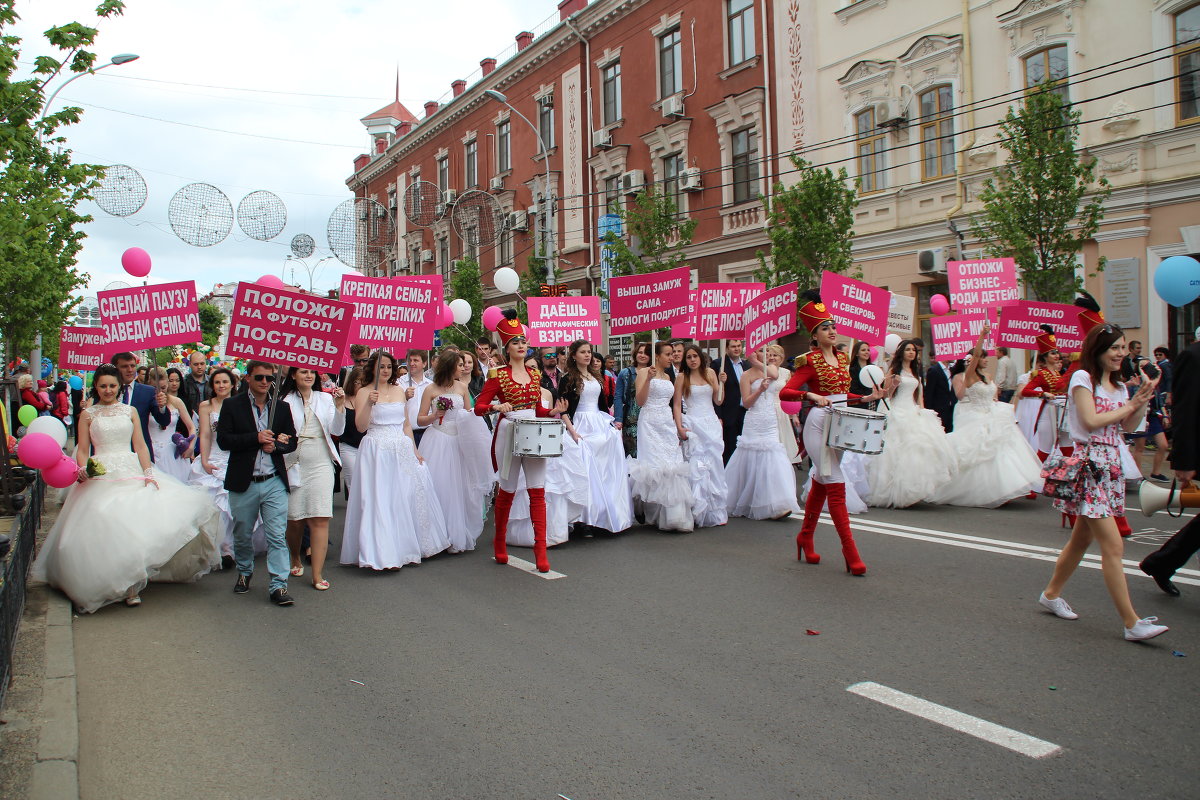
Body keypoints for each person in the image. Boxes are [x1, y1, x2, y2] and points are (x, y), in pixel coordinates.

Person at [32, 364, 220, 612]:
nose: (108, 390)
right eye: (103, 386)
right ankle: (108, 579)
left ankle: (132, 586)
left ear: (118, 386)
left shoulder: (129, 411)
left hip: (130, 468)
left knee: (132, 528)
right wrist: (84, 469)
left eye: (112, 385)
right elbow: (84, 449)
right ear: (96, 387)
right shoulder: (89, 415)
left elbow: (140, 446)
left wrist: (149, 472)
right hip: (101, 473)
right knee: (106, 527)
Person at [1039, 323, 1167, 641]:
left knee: (1081, 540)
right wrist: (1130, 405)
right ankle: (1131, 623)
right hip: (1091, 462)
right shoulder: (1083, 378)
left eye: (1123, 348)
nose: (1121, 354)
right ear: (1098, 349)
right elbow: (1091, 421)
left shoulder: (1120, 385)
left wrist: (1142, 400)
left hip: (1112, 465)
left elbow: (1128, 425)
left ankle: (1050, 595)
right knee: (1113, 545)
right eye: (1115, 348)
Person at [781, 293, 890, 574]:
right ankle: (850, 552)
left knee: (821, 476)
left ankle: (805, 536)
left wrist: (865, 398)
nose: (832, 331)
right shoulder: (809, 360)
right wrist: (813, 396)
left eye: (833, 327)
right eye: (825, 328)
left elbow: (843, 395)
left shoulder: (843, 358)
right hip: (818, 423)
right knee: (835, 481)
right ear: (815, 335)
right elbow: (787, 391)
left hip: (840, 421)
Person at [474, 312, 568, 571]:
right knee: (508, 490)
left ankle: (540, 550)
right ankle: (500, 542)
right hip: (509, 430)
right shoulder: (497, 375)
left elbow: (538, 409)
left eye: (524, 341)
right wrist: (496, 405)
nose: (521, 346)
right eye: (516, 342)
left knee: (537, 491)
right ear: (507, 347)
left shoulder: (535, 375)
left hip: (534, 430)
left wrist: (552, 411)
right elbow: (478, 407)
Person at [342, 350, 451, 570]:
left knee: (403, 496)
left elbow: (406, 424)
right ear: (373, 368)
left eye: (389, 367)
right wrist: (369, 404)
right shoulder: (364, 392)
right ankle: (382, 552)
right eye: (381, 366)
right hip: (376, 448)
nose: (385, 370)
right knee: (380, 499)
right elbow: (361, 427)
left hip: (400, 446)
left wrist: (414, 450)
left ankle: (405, 547)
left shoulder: (400, 390)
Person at [930, 325, 1043, 508]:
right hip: (974, 415)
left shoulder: (988, 375)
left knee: (1004, 449)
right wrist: (982, 335)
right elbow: (963, 390)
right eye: (981, 357)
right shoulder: (968, 376)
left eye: (985, 356)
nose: (984, 359)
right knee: (979, 453)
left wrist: (996, 404)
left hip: (991, 413)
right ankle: (980, 491)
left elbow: (992, 395)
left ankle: (1004, 488)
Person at [217, 361, 299, 606]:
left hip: (273, 480)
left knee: (276, 535)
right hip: (245, 481)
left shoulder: (281, 408)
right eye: (260, 377)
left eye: (269, 378)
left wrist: (279, 444)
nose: (265, 382)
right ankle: (244, 570)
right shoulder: (233, 405)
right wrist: (256, 438)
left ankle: (279, 584)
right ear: (248, 378)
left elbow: (292, 441)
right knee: (243, 533)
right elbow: (224, 440)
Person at [1140, 326, 1200, 596]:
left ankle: (1161, 563)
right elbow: (1186, 409)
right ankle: (1161, 563)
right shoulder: (1194, 356)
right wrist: (1183, 460)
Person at [417, 350, 494, 553]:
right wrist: (435, 415)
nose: (463, 368)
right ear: (450, 367)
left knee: (460, 487)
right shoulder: (430, 389)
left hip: (459, 441)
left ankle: (455, 533)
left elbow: (469, 415)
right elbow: (420, 419)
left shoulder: (462, 387)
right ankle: (437, 535)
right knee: (440, 486)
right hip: (437, 440)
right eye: (459, 365)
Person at [865, 339, 955, 508]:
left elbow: (919, 395)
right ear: (902, 353)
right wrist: (894, 384)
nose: (911, 352)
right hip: (896, 410)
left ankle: (912, 488)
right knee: (894, 451)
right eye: (908, 350)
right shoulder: (894, 370)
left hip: (912, 409)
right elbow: (886, 395)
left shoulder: (916, 372)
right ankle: (890, 489)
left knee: (918, 450)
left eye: (913, 350)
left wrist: (921, 410)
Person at [557, 339, 634, 535]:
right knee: (586, 466)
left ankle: (606, 514)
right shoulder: (568, 379)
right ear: (573, 355)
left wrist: (611, 423)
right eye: (582, 352)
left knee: (606, 464)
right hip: (579, 422)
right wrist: (572, 431)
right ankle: (584, 519)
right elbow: (563, 409)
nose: (587, 355)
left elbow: (602, 405)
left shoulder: (596, 377)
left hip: (598, 421)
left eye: (589, 351)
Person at [280, 367, 345, 590]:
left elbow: (337, 430)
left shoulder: (325, 398)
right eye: (303, 372)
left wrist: (339, 408)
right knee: (295, 519)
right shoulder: (284, 400)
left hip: (321, 461)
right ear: (293, 376)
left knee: (320, 517)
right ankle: (295, 558)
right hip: (294, 462)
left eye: (312, 373)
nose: (309, 376)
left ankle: (317, 574)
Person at [725, 344, 802, 521]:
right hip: (754, 419)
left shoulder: (771, 369)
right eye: (759, 351)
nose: (763, 354)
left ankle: (778, 502)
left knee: (774, 457)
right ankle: (748, 498)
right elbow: (746, 403)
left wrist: (757, 363)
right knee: (750, 457)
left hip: (770, 420)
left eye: (764, 352)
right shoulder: (746, 375)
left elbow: (774, 375)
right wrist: (759, 390)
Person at [628, 341, 693, 532]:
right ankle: (655, 512)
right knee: (654, 464)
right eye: (668, 354)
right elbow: (640, 401)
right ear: (657, 356)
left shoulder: (668, 376)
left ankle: (674, 514)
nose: (671, 357)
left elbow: (673, 402)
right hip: (649, 421)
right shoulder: (643, 372)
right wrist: (648, 379)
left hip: (665, 421)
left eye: (673, 354)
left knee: (671, 464)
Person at [673, 343, 728, 528]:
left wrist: (722, 384)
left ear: (700, 357)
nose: (692, 360)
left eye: (694, 356)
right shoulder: (682, 377)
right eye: (688, 357)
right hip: (694, 423)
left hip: (711, 422)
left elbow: (718, 400)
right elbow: (677, 405)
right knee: (697, 466)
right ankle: (697, 508)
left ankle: (715, 510)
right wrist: (679, 426)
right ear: (685, 360)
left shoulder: (710, 373)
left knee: (714, 465)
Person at [190, 367, 238, 569]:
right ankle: (214, 548)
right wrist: (204, 460)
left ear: (232, 384)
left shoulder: (239, 404)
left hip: (233, 457)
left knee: (231, 507)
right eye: (217, 382)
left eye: (225, 382)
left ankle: (229, 548)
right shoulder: (206, 406)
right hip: (214, 456)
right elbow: (206, 435)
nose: (221, 386)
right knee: (213, 505)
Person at [1021, 327, 1072, 465]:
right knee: (1044, 451)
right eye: (1052, 353)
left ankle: (1068, 481)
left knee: (1068, 449)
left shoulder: (1057, 373)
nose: (1057, 356)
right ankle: (1034, 483)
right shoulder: (1041, 374)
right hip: (1049, 413)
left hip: (1062, 412)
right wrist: (1042, 393)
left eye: (1057, 353)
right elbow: (1025, 391)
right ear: (1044, 357)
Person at [111, 353, 172, 461]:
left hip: (139, 452)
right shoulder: (107, 392)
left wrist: (162, 407)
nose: (130, 370)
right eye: (125, 366)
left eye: (133, 366)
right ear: (116, 368)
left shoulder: (147, 391)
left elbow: (164, 421)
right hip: (113, 451)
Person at [146, 367, 196, 484]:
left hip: (173, 453)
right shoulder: (146, 403)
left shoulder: (176, 402)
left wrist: (190, 447)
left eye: (163, 388)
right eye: (155, 388)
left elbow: (191, 427)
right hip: (151, 452)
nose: (160, 392)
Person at [615, 341, 653, 458]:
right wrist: (618, 418)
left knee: (649, 450)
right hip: (631, 418)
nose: (642, 355)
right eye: (640, 352)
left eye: (646, 353)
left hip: (650, 416)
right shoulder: (625, 373)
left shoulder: (654, 372)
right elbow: (618, 397)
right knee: (632, 451)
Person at [717, 339, 751, 463]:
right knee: (730, 449)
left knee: (745, 448)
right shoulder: (719, 365)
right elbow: (715, 393)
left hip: (746, 412)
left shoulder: (747, 365)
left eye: (739, 346)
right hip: (729, 414)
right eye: (733, 346)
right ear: (726, 348)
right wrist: (719, 415)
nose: (736, 349)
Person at [339, 366, 366, 492]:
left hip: (366, 446)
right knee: (353, 485)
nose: (360, 385)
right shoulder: (343, 399)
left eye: (363, 382)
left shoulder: (369, 400)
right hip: (348, 446)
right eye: (357, 382)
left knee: (367, 483)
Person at [401, 350, 432, 446]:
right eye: (409, 360)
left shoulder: (431, 385)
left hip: (428, 433)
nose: (411, 363)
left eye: (415, 360)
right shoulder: (399, 383)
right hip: (406, 434)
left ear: (424, 363)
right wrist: (404, 397)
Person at [923, 356, 956, 432]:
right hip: (939, 411)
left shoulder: (952, 370)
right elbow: (929, 394)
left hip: (951, 410)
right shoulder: (934, 370)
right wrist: (930, 413)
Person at [178, 351, 211, 420]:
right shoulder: (184, 383)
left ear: (206, 364)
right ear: (190, 364)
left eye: (202, 364)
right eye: (196, 364)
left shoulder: (213, 382)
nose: (199, 367)